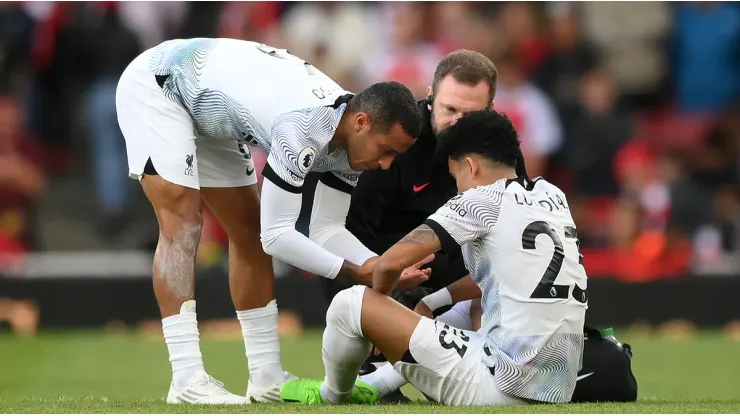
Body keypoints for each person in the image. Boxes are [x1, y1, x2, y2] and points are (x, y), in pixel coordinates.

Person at [115, 38, 429, 405]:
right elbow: (277, 237)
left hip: (210, 105)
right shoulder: (303, 127)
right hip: (160, 85)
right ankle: (186, 379)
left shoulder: (351, 135)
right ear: (361, 122)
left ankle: (266, 378)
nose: (387, 165)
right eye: (386, 151)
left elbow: (327, 230)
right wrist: (355, 272)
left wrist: (378, 265)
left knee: (246, 229)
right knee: (184, 223)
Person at [279, 110, 588, 406]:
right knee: (469, 307)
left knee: (350, 303)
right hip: (557, 385)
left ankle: (332, 396)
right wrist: (432, 301)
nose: (457, 186)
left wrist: (378, 314)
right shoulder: (552, 195)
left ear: (470, 165)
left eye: (455, 176)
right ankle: (374, 384)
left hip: (503, 386)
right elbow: (510, 279)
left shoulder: (480, 201)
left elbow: (388, 263)